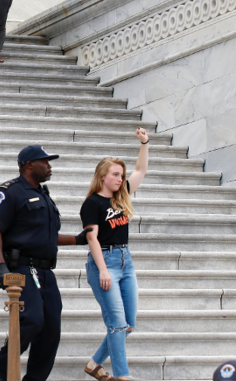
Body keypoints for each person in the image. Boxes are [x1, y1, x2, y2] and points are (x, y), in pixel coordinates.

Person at [0, 145, 91, 381]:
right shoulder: (9, 192)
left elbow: (45, 237)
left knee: (51, 330)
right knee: (32, 319)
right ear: (29, 164)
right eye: (46, 161)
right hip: (22, 268)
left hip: (45, 271)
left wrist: (77, 239)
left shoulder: (44, 196)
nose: (50, 166)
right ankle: (0, 365)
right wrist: (0, 265)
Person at [81, 128, 150, 381]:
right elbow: (91, 238)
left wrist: (145, 143)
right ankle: (123, 376)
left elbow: (140, 171)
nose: (121, 179)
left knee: (127, 325)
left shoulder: (121, 197)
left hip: (126, 262)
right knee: (117, 324)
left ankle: (94, 364)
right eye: (115, 174)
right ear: (102, 176)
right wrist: (102, 270)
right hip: (105, 261)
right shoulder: (92, 204)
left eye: (121, 175)